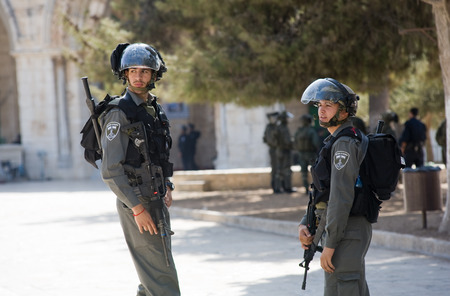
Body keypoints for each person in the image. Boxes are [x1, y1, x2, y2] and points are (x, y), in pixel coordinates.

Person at [100, 43, 180, 296]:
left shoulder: (154, 110)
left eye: (145, 71)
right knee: (162, 274)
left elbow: (158, 155)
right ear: (124, 74)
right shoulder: (118, 113)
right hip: (137, 202)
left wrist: (167, 184)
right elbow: (111, 170)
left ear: (154, 75)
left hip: (155, 198)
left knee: (156, 268)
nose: (138, 76)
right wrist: (137, 209)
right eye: (132, 71)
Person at [298, 78, 371, 296]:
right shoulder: (334, 140)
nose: (321, 111)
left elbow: (341, 198)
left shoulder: (344, 144)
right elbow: (324, 192)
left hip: (346, 231)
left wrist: (330, 246)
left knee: (343, 289)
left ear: (345, 111)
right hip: (338, 230)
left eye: (329, 105)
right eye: (319, 105)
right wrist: (305, 223)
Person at [293, 114, 320, 194]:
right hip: (311, 154)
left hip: (301, 154)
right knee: (315, 172)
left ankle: (306, 189)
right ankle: (316, 188)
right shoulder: (311, 131)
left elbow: (294, 143)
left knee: (304, 173)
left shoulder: (298, 131)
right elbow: (316, 143)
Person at [274, 111, 296, 193]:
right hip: (285, 151)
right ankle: (287, 187)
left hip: (279, 150)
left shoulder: (278, 127)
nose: (288, 120)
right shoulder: (284, 128)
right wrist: (293, 144)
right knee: (287, 170)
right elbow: (287, 141)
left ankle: (277, 188)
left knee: (279, 170)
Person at [263, 112, 280, 193]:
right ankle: (275, 187)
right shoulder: (270, 127)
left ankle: (278, 186)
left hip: (276, 149)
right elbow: (270, 140)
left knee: (278, 168)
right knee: (275, 168)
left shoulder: (274, 127)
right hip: (274, 149)